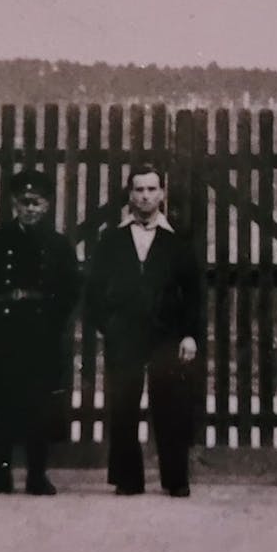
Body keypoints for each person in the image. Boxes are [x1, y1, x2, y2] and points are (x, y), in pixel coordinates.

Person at [85, 163, 205, 497]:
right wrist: (106, 325)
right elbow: (93, 290)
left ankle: (175, 479)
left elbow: (193, 292)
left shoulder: (177, 241)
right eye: (139, 189)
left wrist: (189, 334)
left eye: (152, 189)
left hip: (166, 335)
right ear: (130, 194)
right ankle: (127, 479)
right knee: (123, 404)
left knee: (170, 405)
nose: (145, 196)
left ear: (162, 194)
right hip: (124, 335)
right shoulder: (111, 240)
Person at [0, 169, 81, 495]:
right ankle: (0, 475)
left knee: (40, 402)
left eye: (37, 203)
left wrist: (51, 319)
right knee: (0, 399)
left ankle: (37, 475)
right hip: (2, 332)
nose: (30, 209)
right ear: (14, 204)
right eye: (24, 202)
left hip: (40, 334)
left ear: (47, 205)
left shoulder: (58, 246)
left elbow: (71, 289)